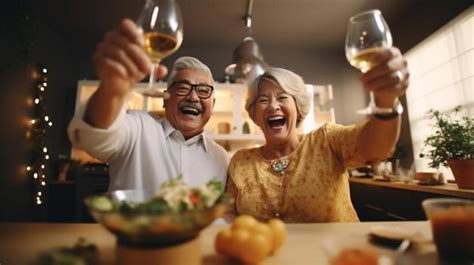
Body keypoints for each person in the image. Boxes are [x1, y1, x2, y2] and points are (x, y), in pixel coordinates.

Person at [226, 47, 409, 222]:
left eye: (282, 98)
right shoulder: (240, 161)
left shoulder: (326, 140)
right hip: (266, 254)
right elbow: (228, 214)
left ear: (297, 108)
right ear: (255, 114)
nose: (273, 106)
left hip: (337, 252)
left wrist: (386, 101)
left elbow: (374, 149)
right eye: (263, 100)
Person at [68, 19, 229, 190]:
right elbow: (95, 136)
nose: (194, 97)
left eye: (204, 91)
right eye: (183, 87)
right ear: (165, 99)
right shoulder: (138, 129)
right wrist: (112, 89)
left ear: (212, 105)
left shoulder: (221, 158)